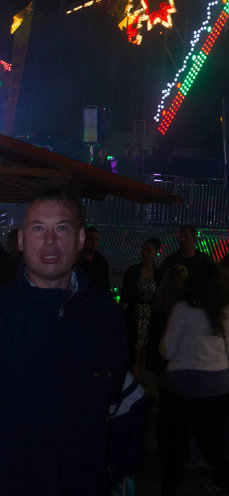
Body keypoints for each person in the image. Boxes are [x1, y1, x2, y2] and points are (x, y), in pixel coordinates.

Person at [0, 182, 129, 495]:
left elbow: (122, 403)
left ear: (81, 238)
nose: (49, 241)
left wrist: (118, 469)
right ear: (20, 239)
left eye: (61, 228)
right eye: (37, 228)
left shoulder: (105, 315)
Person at [159, 260, 229, 496]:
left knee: (174, 443)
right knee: (209, 439)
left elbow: (168, 349)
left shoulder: (184, 309)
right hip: (217, 382)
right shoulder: (226, 311)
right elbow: (227, 350)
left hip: (183, 382)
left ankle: (170, 488)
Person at [120, 236, 162, 377]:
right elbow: (125, 292)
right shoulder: (133, 271)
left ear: (155, 252)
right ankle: (136, 373)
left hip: (150, 312)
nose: (145, 253)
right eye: (144, 249)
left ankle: (141, 373)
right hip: (136, 312)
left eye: (148, 250)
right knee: (136, 344)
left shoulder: (158, 273)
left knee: (145, 345)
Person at [78, 224, 112, 294]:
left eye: (96, 239)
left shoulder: (101, 260)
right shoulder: (75, 260)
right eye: (90, 239)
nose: (94, 242)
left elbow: (105, 284)